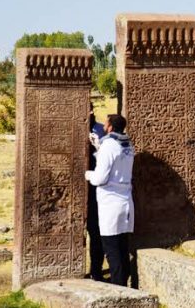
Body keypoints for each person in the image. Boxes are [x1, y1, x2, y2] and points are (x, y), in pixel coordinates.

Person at [85, 114, 135, 286]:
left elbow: (100, 178)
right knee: (122, 246)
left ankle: (117, 287)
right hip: (125, 201)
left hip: (110, 203)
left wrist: (88, 174)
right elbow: (116, 163)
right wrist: (99, 147)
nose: (104, 126)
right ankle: (123, 282)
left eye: (106, 124)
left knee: (111, 249)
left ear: (110, 127)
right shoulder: (128, 144)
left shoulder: (109, 146)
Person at [87, 103, 106, 281]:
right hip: (76, 185)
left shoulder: (101, 129)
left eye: (91, 109)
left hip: (96, 186)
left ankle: (96, 269)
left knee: (96, 230)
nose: (90, 113)